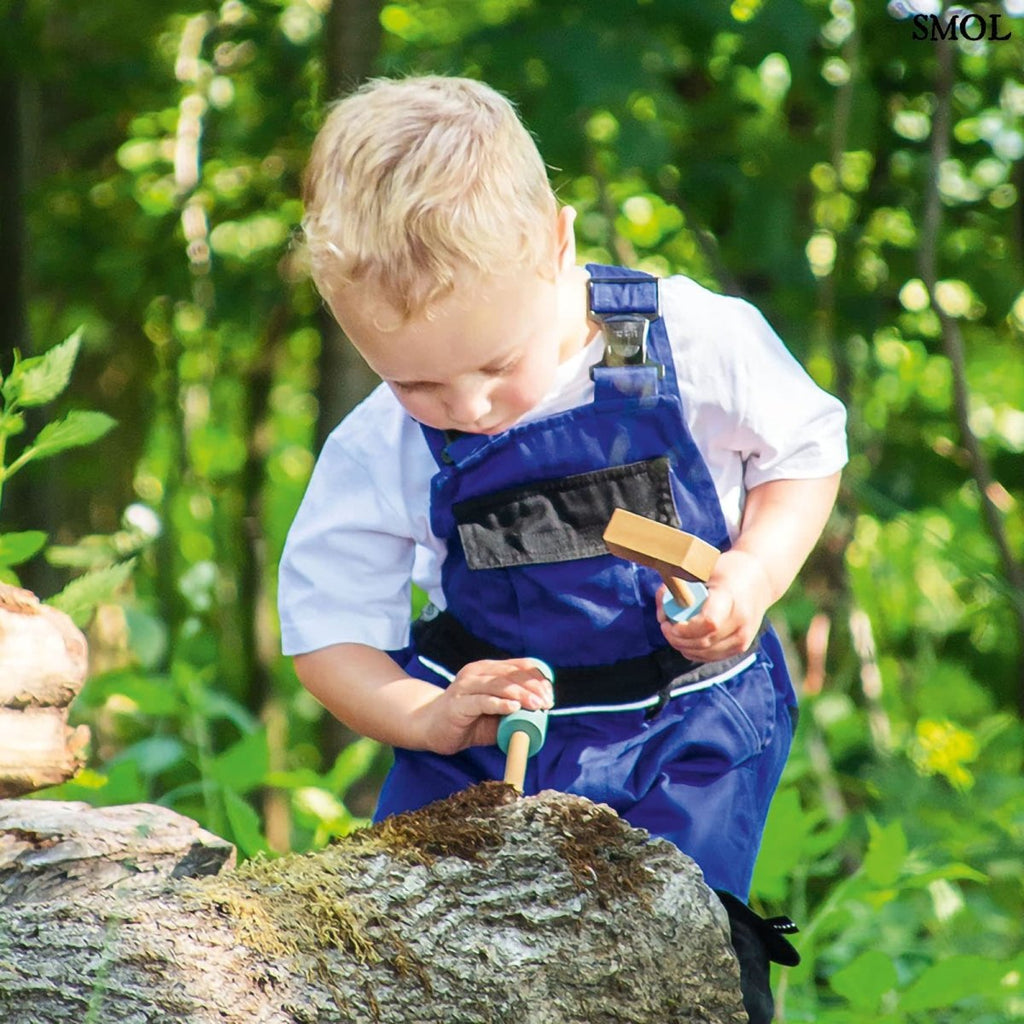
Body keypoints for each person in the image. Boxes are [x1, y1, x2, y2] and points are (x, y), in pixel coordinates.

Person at [279, 74, 846, 1022]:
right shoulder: (380, 443)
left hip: (682, 723)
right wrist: (424, 716)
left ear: (558, 245)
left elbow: (805, 452)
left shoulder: (688, 341)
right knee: (406, 962)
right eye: (416, 382)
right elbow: (326, 633)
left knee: (684, 955)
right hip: (485, 733)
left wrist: (751, 573)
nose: (464, 409)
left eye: (496, 367)